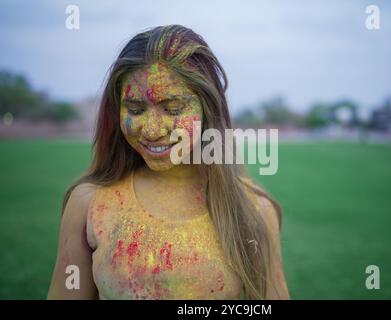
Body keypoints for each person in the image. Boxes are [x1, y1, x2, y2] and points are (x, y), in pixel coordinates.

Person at [47, 25, 290, 300]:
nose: (152, 130)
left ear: (208, 109)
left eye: (173, 109)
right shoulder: (88, 204)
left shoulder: (253, 209)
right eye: (136, 109)